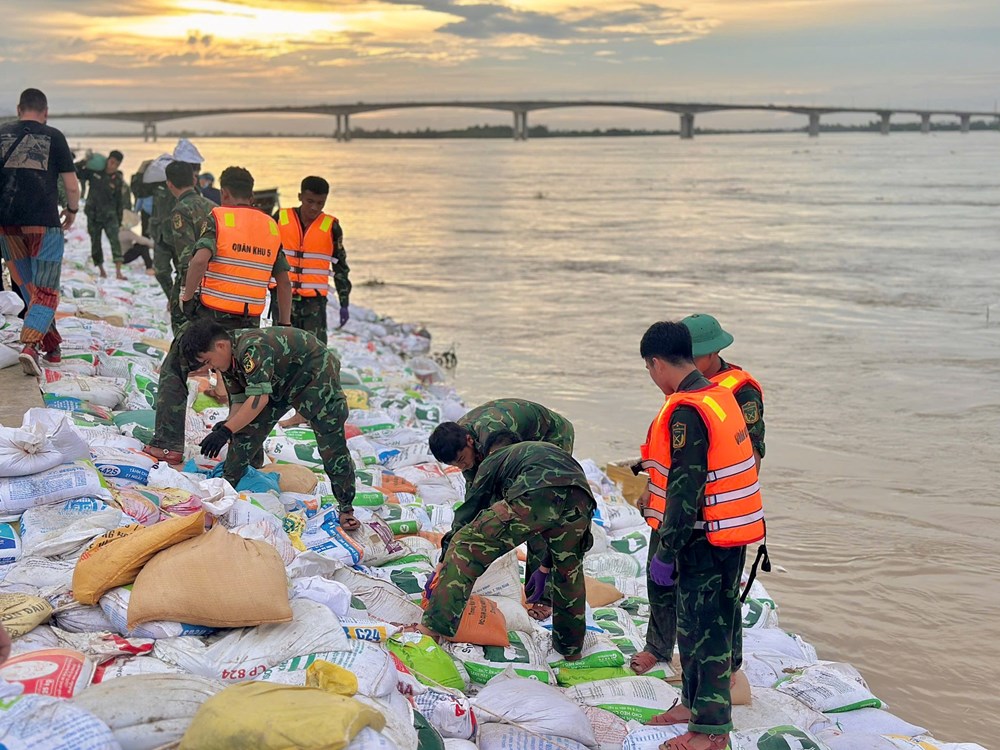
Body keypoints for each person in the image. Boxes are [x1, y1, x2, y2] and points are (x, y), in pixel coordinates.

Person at [636, 321, 765, 750]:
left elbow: (685, 488)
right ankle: (692, 704)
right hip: (730, 532)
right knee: (706, 626)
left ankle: (711, 732)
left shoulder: (688, 410)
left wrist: (667, 551)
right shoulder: (720, 395)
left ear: (656, 364)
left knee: (704, 632)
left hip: (702, 539)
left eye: (649, 370)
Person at [142, 166, 292, 467]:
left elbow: (199, 260)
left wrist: (186, 297)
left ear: (224, 192)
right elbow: (284, 281)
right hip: (249, 322)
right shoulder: (271, 227)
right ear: (251, 193)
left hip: (210, 319)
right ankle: (250, 457)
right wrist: (284, 324)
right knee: (242, 389)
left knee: (174, 370)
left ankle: (168, 445)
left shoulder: (219, 216)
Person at [421, 432, 595, 661]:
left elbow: (469, 513)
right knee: (568, 572)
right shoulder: (537, 452)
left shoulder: (493, 462)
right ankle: (570, 651)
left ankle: (431, 631)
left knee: (465, 546)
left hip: (533, 492)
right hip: (581, 498)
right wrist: (544, 569)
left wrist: (445, 561)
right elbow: (555, 522)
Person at [182, 320, 358, 530]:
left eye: (208, 361)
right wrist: (227, 427)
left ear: (220, 346)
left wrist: (227, 429)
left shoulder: (252, 349)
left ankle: (346, 507)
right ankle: (227, 493)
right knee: (243, 434)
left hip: (313, 375)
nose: (210, 368)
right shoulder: (226, 361)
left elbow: (259, 400)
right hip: (275, 384)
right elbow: (240, 401)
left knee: (331, 445)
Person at [429, 398, 575, 612]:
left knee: (536, 515)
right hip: (512, 444)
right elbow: (472, 504)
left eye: (462, 460)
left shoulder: (495, 436)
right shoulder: (459, 442)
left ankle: (543, 599)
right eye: (455, 465)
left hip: (552, 437)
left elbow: (514, 488)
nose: (463, 466)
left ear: (469, 440)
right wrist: (445, 559)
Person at [0, 88, 80, 375]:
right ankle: (31, 346)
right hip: (43, 224)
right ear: (45, 112)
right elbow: (71, 186)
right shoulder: (54, 136)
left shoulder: (1, 133)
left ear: (20, 108)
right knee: (45, 291)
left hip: (6, 225)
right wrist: (72, 211)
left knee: (29, 288)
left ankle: (53, 345)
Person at [272, 176, 351, 343]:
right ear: (300, 196)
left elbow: (341, 267)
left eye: (320, 203)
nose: (314, 208)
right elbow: (264, 254)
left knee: (314, 353)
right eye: (310, 201)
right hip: (282, 297)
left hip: (314, 303)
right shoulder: (280, 218)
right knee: (281, 350)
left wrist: (344, 303)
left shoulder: (332, 227)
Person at [164, 160, 216, 334]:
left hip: (192, 282)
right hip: (214, 282)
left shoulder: (181, 210)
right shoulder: (213, 207)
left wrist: (183, 295)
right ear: (194, 180)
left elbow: (187, 257)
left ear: (169, 184)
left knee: (184, 334)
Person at [150, 140, 203, 301]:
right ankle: (172, 299)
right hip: (162, 233)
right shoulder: (163, 177)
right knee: (161, 271)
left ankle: (181, 301)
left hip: (182, 235)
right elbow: (140, 188)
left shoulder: (193, 183)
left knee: (183, 272)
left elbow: (196, 203)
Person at [79, 149, 127, 279]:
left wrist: (120, 219)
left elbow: (119, 201)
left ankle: (118, 271)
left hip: (110, 216)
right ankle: (101, 269)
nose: (113, 165)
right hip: (93, 214)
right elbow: (76, 172)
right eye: (111, 162)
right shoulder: (94, 172)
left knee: (115, 242)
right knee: (95, 242)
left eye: (116, 164)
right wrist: (85, 161)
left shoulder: (117, 179)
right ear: (107, 160)